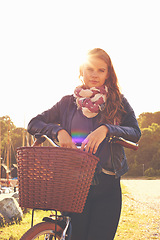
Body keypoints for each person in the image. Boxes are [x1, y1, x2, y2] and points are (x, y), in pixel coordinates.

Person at [27, 48, 141, 240]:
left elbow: (135, 132)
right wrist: (58, 131)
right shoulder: (67, 103)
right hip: (73, 185)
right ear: (82, 70)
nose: (94, 74)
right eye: (90, 69)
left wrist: (107, 129)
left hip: (108, 185)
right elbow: (33, 123)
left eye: (100, 70)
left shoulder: (118, 102)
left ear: (108, 74)